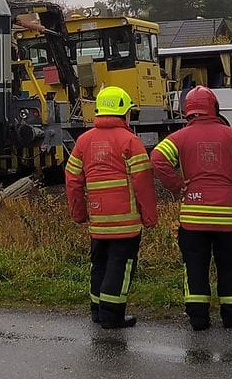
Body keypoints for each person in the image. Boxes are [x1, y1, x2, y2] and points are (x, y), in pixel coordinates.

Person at [150, 86, 232, 331]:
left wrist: (177, 185)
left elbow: (158, 158)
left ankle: (198, 318)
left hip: (193, 218)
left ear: (188, 111)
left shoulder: (179, 137)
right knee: (230, 266)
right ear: (214, 107)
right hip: (226, 217)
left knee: (194, 266)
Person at [64, 86, 157, 329]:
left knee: (100, 265)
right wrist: (149, 217)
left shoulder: (84, 141)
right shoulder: (130, 141)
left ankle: (97, 310)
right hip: (125, 223)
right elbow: (143, 183)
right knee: (120, 267)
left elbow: (72, 178)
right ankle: (112, 316)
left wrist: (79, 213)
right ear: (123, 113)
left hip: (98, 222)